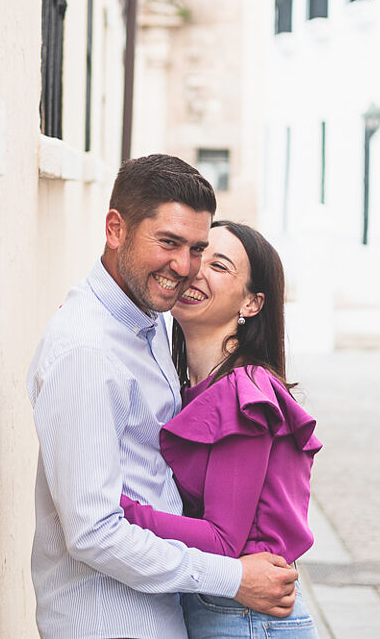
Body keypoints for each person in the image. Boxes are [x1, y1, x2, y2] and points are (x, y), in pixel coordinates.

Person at [28, 155, 299, 639]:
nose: (185, 267)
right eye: (169, 242)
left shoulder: (150, 323)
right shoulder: (87, 352)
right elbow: (93, 531)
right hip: (110, 621)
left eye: (197, 249)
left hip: (166, 611)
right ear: (116, 229)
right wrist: (233, 578)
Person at [118, 221, 322, 638]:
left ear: (251, 303)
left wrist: (114, 507)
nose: (194, 270)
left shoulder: (242, 394)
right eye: (199, 255)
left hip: (247, 619)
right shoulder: (191, 388)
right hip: (224, 608)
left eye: (219, 265)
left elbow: (222, 540)